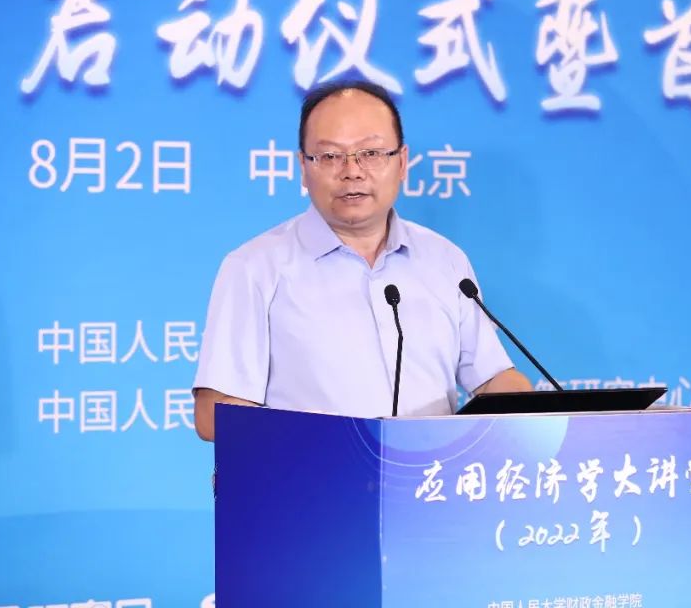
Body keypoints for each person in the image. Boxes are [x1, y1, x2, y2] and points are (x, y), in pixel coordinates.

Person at [191, 80, 532, 441]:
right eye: (330, 156)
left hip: (431, 473)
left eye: (371, 153)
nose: (352, 171)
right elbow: (213, 414)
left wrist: (539, 417)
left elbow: (492, 379)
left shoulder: (446, 261)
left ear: (402, 162)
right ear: (303, 167)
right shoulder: (255, 268)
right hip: (315, 473)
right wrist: (330, 442)